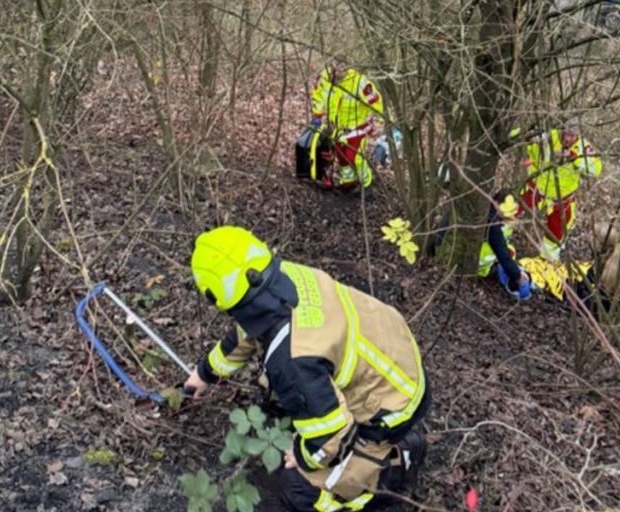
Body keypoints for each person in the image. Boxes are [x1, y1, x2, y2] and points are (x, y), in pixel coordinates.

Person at [183, 226, 430, 511]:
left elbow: (331, 437)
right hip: (393, 354)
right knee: (291, 394)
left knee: (302, 491)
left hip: (392, 405)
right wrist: (205, 372)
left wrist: (302, 456)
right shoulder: (284, 276)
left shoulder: (292, 359)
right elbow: (248, 331)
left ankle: (391, 470)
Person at [514, 126, 603, 261]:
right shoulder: (548, 135)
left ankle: (546, 263)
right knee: (508, 211)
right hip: (535, 188)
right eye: (566, 134)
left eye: (572, 136)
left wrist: (574, 157)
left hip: (562, 198)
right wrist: (529, 138)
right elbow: (523, 142)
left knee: (557, 234)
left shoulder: (583, 147)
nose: (567, 139)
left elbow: (596, 169)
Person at [308, 59, 384, 190]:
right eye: (334, 66)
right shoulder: (324, 78)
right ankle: (348, 183)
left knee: (354, 157)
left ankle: (367, 185)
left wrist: (381, 121)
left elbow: (376, 102)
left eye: (342, 67)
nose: (337, 71)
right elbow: (318, 95)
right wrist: (317, 114)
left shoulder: (359, 83)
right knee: (341, 156)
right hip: (338, 127)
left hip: (358, 127)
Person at [477, 194, 535, 301]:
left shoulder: (493, 214)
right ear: (496, 204)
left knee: (510, 250)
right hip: (479, 265)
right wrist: (518, 276)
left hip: (489, 260)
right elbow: (501, 251)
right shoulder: (491, 222)